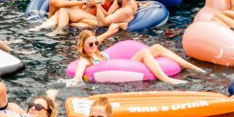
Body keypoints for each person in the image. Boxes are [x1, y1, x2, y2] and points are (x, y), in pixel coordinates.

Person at [70, 30, 203, 87]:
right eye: (91, 44)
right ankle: (166, 79)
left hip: (126, 65)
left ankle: (192, 66)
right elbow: (78, 75)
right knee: (145, 52)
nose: (94, 46)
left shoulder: (98, 52)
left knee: (156, 47)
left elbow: (97, 40)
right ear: (83, 46)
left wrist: (108, 33)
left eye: (96, 43)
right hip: (124, 67)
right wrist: (75, 81)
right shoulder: (85, 60)